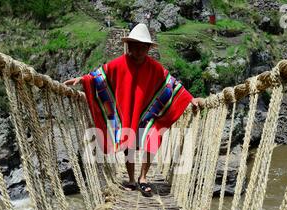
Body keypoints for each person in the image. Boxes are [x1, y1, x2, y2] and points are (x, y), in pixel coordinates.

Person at [64, 23, 202, 197]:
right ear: (128, 46)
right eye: (134, 47)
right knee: (128, 140)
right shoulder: (118, 64)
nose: (138, 51)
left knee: (154, 137)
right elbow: (99, 77)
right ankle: (130, 178)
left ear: (148, 49)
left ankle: (143, 178)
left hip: (148, 112)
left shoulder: (155, 68)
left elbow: (171, 85)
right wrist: (84, 80)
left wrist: (190, 98)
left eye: (142, 48)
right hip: (127, 109)